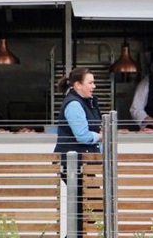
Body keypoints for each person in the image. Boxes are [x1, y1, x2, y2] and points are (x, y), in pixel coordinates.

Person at [54, 67, 102, 238]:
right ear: (77, 85)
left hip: (82, 163)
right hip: (73, 163)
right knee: (89, 204)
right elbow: (82, 136)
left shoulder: (86, 101)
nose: (94, 86)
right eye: (90, 82)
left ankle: (76, 235)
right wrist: (101, 136)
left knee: (86, 205)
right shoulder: (74, 104)